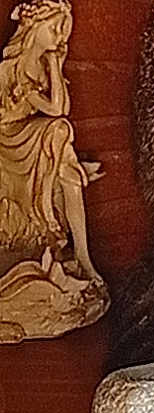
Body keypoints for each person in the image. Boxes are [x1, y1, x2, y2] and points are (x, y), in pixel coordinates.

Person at [0, 0, 101, 282]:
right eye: (54, 29)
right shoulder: (11, 70)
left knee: (59, 134)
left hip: (36, 137)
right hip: (8, 140)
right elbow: (54, 111)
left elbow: (61, 107)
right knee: (57, 131)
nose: (59, 37)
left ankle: (82, 254)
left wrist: (55, 66)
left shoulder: (45, 66)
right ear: (34, 28)